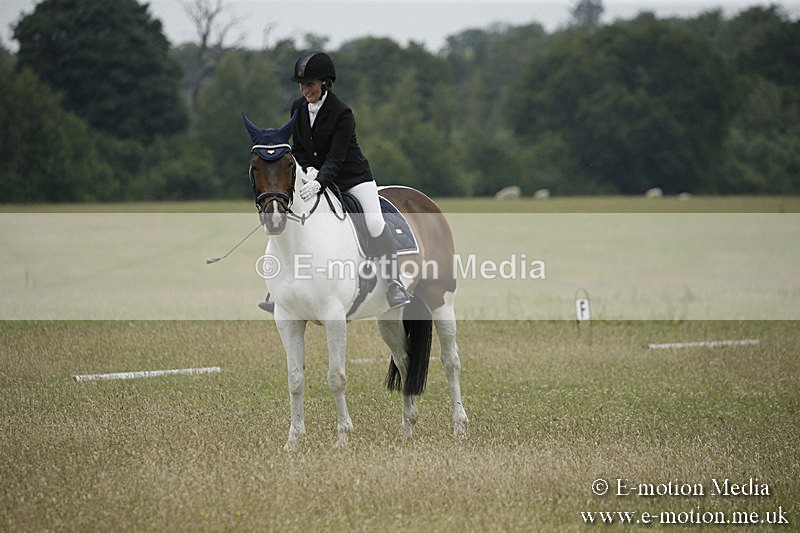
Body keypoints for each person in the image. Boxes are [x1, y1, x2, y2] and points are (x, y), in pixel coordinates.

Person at [259, 51, 410, 312]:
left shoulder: (342, 112)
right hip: (314, 176)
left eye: (310, 84)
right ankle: (278, 290)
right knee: (288, 217)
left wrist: (320, 181)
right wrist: (306, 171)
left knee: (374, 222)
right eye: (302, 85)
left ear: (325, 83)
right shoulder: (298, 108)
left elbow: (337, 157)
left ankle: (394, 282)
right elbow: (299, 149)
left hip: (352, 178)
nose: (305, 90)